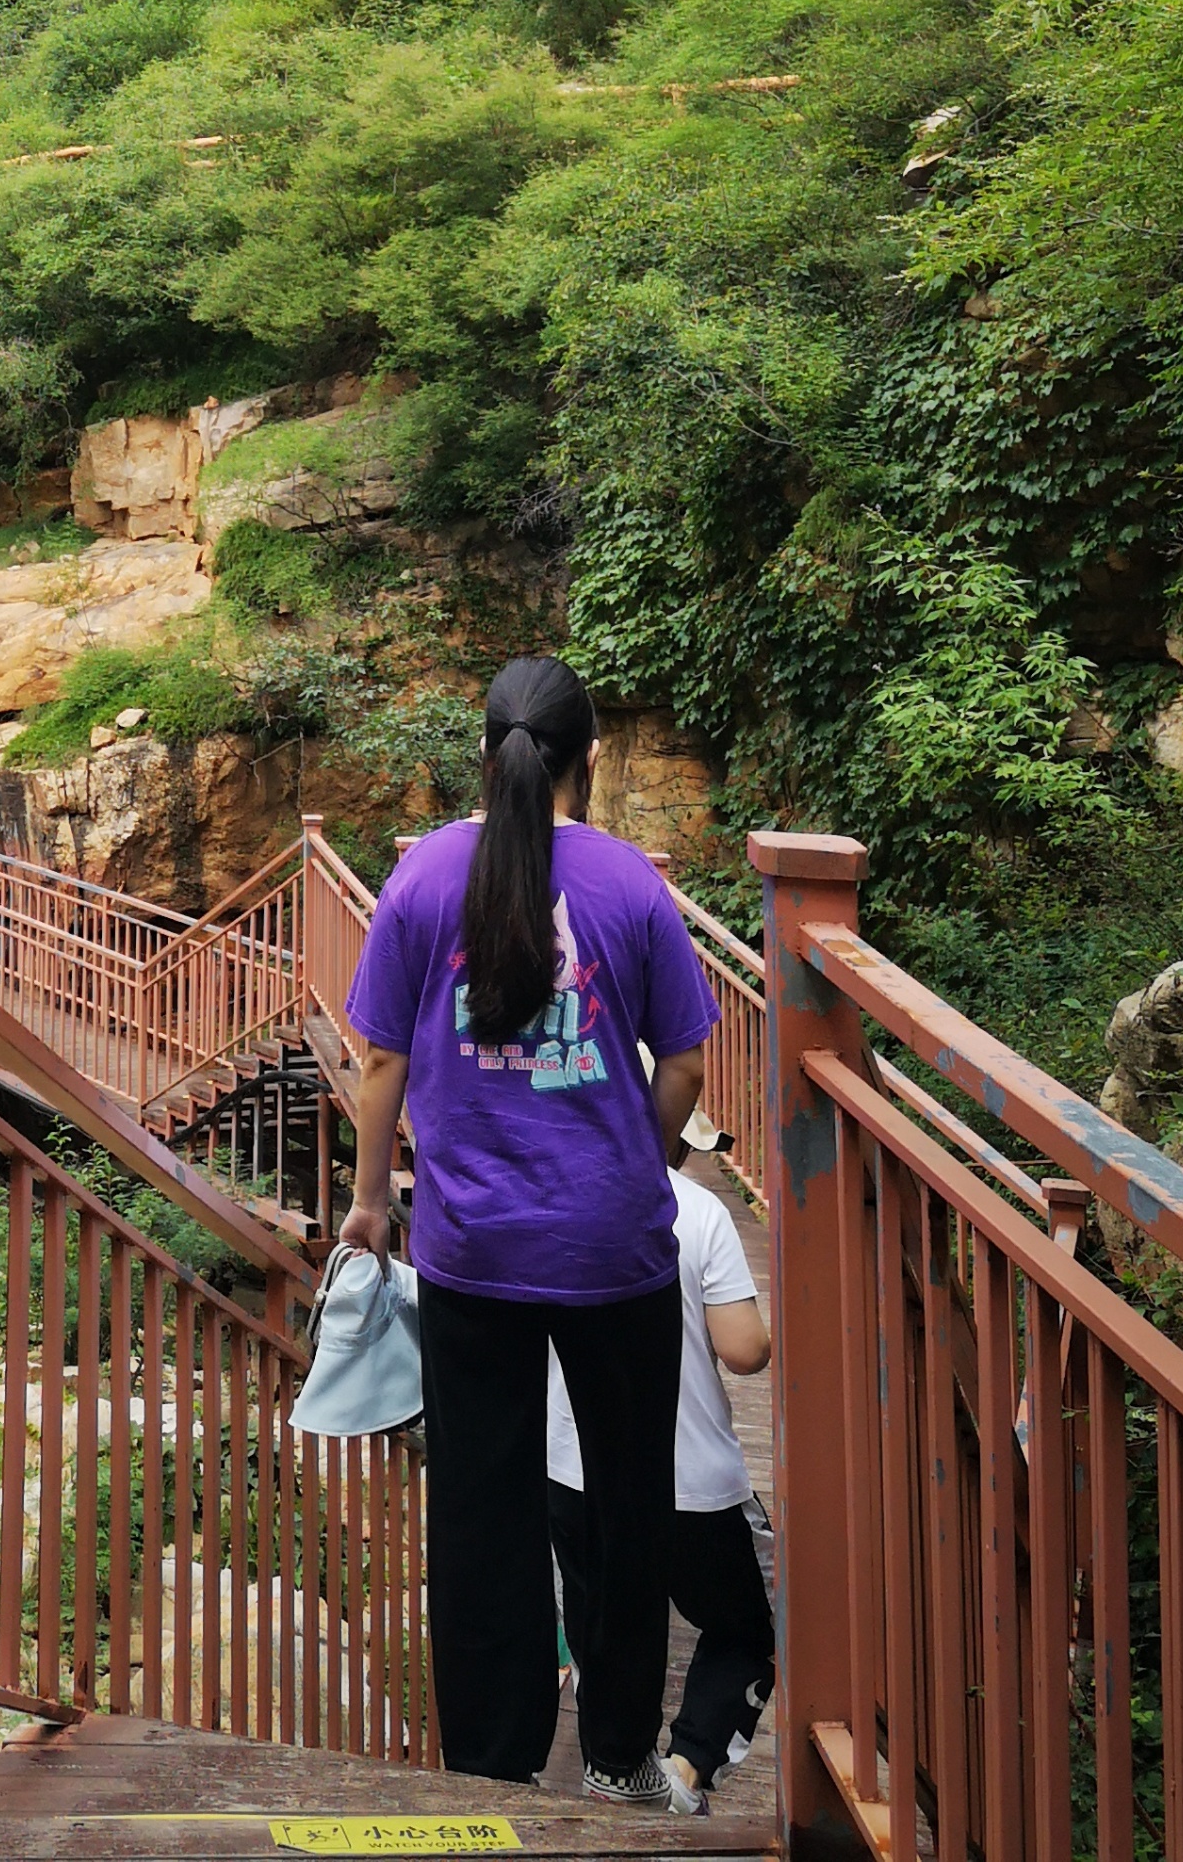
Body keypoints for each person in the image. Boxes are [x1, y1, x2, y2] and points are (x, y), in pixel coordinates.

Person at [339, 656, 716, 1804]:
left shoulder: (418, 879)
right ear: (587, 758)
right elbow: (686, 1062)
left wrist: (368, 1200)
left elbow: (381, 1060)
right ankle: (616, 1756)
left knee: (479, 1512)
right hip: (614, 1252)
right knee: (626, 1502)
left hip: (472, 1253)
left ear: (486, 753)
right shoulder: (630, 885)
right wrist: (642, 1160)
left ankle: (490, 1768)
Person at [550, 1142, 776, 1816]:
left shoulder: (553, 1197)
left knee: (597, 1624)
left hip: (570, 1469)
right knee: (749, 1626)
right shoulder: (698, 1211)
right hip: (690, 1480)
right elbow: (744, 1350)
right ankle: (686, 1765)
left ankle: (611, 1768)